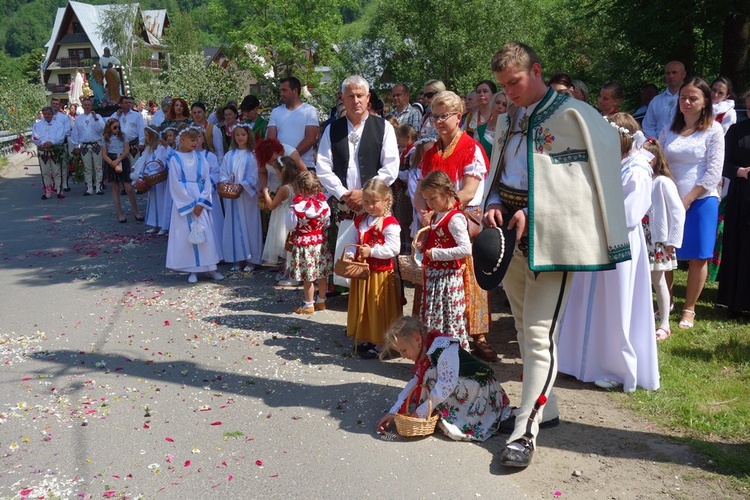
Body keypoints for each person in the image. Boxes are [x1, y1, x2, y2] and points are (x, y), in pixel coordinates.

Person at [483, 42, 630, 468]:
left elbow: (590, 180)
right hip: (508, 232)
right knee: (524, 323)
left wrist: (536, 208)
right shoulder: (508, 116)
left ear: (537, 70)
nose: (508, 91)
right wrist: (493, 197)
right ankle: (546, 410)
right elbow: (499, 167)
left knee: (538, 333)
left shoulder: (574, 116)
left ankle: (525, 432)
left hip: (552, 235)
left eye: (515, 82)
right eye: (503, 85)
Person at [557, 113, 657, 392]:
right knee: (587, 298)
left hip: (619, 242)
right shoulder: (612, 162)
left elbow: (630, 212)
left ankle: (615, 366)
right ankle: (578, 360)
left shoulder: (637, 169)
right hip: (597, 237)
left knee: (615, 301)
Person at [416, 90, 494, 362]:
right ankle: (433, 337)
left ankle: (477, 337)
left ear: (459, 117)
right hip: (435, 218)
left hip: (461, 216)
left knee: (468, 276)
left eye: (444, 116)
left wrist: (444, 213)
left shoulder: (470, 147)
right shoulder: (432, 152)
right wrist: (426, 214)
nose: (438, 121)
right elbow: (419, 188)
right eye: (435, 117)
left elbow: (470, 190)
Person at [315, 75, 399, 287]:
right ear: (342, 98)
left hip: (375, 202)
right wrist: (344, 193)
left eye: (360, 95)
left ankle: (376, 297)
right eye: (350, 96)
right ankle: (345, 296)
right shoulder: (332, 129)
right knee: (346, 249)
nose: (356, 101)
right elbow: (323, 166)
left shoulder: (383, 127)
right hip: (344, 202)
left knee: (375, 250)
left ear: (368, 97)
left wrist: (365, 193)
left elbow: (391, 166)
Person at [376, 316, 512, 442]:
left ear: (417, 338)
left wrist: (421, 412)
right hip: (464, 382)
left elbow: (445, 385)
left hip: (481, 386)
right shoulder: (426, 351)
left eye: (403, 350)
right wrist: (394, 411)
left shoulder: (443, 348)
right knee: (427, 376)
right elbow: (415, 381)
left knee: (430, 376)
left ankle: (458, 417)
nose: (402, 356)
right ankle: (440, 411)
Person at [659, 77, 724, 330]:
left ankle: (689, 308)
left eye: (693, 98)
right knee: (666, 251)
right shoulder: (669, 128)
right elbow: (659, 160)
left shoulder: (714, 130)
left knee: (698, 256)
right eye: (683, 97)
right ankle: (668, 302)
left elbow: (713, 173)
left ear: (705, 101)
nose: (686, 102)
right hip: (670, 198)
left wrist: (688, 198)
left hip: (701, 199)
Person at [340, 178, 401, 358]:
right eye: (366, 202)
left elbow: (393, 248)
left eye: (374, 202)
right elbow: (353, 241)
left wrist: (372, 251)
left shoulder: (390, 223)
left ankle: (382, 343)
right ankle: (368, 335)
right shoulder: (361, 220)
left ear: (386, 200)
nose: (370, 206)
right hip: (362, 272)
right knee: (365, 306)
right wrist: (352, 253)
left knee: (378, 307)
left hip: (380, 274)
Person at [417, 170, 472, 351]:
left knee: (450, 319)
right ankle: (437, 358)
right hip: (436, 278)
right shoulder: (438, 214)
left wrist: (437, 254)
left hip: (448, 278)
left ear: (447, 193)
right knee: (436, 319)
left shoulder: (455, 218)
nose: (430, 203)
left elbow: (466, 249)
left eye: (433, 199)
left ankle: (454, 359)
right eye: (427, 200)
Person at [165, 127, 224, 284]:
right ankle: (193, 269)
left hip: (200, 199)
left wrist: (201, 202)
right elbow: (175, 184)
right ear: (182, 139)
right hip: (184, 201)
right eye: (192, 140)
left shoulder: (201, 157)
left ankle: (211, 267)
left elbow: (206, 180)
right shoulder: (175, 159)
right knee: (187, 234)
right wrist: (190, 204)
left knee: (206, 233)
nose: (195, 143)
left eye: (197, 140)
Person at [641, 138, 685, 339]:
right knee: (640, 281)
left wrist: (672, 241)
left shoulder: (662, 182)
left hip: (656, 241)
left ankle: (665, 322)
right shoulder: (639, 180)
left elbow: (678, 212)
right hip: (639, 239)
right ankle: (642, 318)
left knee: (658, 281)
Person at [717, 90, 750, 316]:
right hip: (742, 195)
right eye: (749, 107)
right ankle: (735, 301)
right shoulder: (736, 130)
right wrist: (740, 171)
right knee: (740, 246)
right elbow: (723, 163)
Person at [285, 171, 331, 314]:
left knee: (308, 277)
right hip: (320, 243)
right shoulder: (324, 205)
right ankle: (321, 301)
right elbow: (327, 224)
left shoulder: (296, 208)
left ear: (299, 188)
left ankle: (308, 304)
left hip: (304, 244)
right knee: (322, 273)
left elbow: (290, 226)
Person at [219, 124, 263, 271]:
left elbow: (257, 173)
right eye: (237, 135)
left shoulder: (254, 155)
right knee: (234, 227)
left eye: (243, 135)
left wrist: (243, 185)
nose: (240, 137)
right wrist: (227, 183)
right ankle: (238, 259)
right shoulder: (229, 155)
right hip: (232, 196)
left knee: (250, 225)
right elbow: (223, 172)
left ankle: (252, 259)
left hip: (247, 197)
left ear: (248, 136)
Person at [267, 77, 319, 169]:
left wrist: (291, 158)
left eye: (284, 90)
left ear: (295, 90)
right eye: (281, 91)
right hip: (281, 167)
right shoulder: (276, 112)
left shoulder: (309, 110)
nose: (281, 94)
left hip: (304, 165)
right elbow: (271, 140)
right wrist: (283, 160)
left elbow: (311, 138)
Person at [260, 156, 299, 269]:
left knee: (285, 246)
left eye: (277, 172)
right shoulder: (295, 185)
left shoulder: (284, 189)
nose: (276, 174)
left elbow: (272, 206)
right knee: (289, 247)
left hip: (282, 219)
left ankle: (288, 271)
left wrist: (266, 192)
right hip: (291, 216)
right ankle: (286, 270)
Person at [102, 118, 143, 223]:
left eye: (118, 127)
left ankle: (136, 212)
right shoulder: (105, 138)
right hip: (111, 161)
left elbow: (126, 150)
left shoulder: (124, 136)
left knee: (128, 188)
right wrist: (113, 164)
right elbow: (104, 154)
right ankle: (120, 214)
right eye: (115, 127)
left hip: (122, 160)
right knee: (115, 188)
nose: (117, 129)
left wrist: (118, 161)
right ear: (109, 128)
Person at [196, 127, 224, 262]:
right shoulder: (186, 157)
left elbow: (216, 173)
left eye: (199, 136)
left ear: (203, 138)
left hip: (210, 195)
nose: (197, 140)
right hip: (194, 195)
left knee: (213, 223)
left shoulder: (210, 156)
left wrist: (206, 185)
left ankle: (216, 254)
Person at [137, 125, 169, 234]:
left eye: (147, 135)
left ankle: (163, 225)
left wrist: (150, 171)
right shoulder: (150, 149)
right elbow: (145, 162)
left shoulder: (160, 148)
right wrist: (142, 174)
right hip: (150, 179)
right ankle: (155, 224)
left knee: (161, 202)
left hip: (159, 178)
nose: (145, 138)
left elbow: (160, 162)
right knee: (152, 202)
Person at [643, 61, 687, 139]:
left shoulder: (690, 100)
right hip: (658, 147)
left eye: (674, 72)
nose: (671, 76)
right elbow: (648, 126)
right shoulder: (656, 101)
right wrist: (655, 144)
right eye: (668, 73)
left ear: (683, 74)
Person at [71, 97, 104, 196]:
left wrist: (96, 118)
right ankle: (89, 188)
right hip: (84, 146)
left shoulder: (97, 116)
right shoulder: (79, 119)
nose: (87, 106)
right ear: (82, 106)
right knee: (87, 168)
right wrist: (76, 145)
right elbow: (75, 133)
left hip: (96, 144)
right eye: (85, 105)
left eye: (89, 105)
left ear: (91, 106)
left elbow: (101, 129)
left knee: (98, 167)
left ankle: (98, 187)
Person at [32, 106, 67, 199]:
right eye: (45, 114)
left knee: (57, 171)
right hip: (43, 150)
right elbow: (34, 137)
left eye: (48, 114)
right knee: (45, 172)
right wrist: (43, 143)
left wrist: (52, 142)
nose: (47, 115)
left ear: (52, 114)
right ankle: (48, 192)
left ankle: (59, 191)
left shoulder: (59, 125)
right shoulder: (37, 125)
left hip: (54, 150)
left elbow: (61, 137)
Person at [393, 123, 417, 251]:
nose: (397, 142)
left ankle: (409, 245)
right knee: (402, 218)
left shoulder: (412, 153)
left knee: (406, 219)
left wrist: (395, 172)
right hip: (402, 190)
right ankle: (404, 243)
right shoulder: (404, 152)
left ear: (407, 137)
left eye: (399, 139)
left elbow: (409, 174)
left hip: (408, 191)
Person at [475, 91, 508, 157]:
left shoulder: (510, 130)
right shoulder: (480, 129)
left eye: (504, 105)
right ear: (492, 104)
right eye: (497, 103)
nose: (500, 106)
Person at [116, 96, 145, 165]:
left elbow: (141, 129)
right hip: (121, 144)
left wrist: (141, 143)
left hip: (133, 144)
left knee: (134, 165)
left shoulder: (136, 115)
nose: (128, 104)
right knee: (123, 167)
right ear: (121, 104)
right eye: (126, 103)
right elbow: (110, 124)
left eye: (129, 102)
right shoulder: (117, 115)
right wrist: (117, 116)